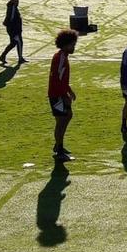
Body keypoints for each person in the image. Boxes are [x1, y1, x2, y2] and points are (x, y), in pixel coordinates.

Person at [49, 29, 79, 162]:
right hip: (57, 95)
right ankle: (59, 149)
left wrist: (70, 91)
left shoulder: (62, 56)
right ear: (66, 44)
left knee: (66, 117)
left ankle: (58, 145)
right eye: (72, 45)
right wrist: (64, 95)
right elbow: (57, 79)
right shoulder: (60, 58)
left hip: (58, 93)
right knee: (61, 121)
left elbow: (62, 79)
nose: (74, 47)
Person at [0, 0, 26, 64]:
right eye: (16, 0)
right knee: (19, 42)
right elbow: (11, 18)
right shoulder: (13, 7)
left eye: (18, 0)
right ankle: (20, 58)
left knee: (13, 43)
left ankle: (2, 56)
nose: (18, 1)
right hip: (14, 30)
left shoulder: (12, 7)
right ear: (12, 1)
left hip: (13, 29)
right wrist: (14, 30)